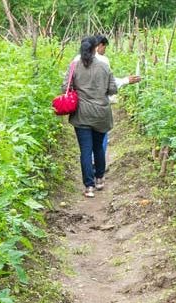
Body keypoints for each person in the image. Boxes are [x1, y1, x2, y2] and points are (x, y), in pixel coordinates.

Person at [63, 37, 117, 198]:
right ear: (95, 49)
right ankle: (100, 178)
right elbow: (113, 89)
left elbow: (64, 87)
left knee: (85, 150)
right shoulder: (104, 66)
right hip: (101, 113)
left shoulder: (74, 66)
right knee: (98, 146)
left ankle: (89, 187)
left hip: (81, 114)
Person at [92, 35, 141, 167]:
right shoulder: (103, 60)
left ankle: (90, 163)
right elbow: (109, 82)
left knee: (87, 136)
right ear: (100, 46)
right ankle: (99, 164)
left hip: (83, 106)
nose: (105, 51)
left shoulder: (78, 59)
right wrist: (126, 80)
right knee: (101, 134)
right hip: (101, 103)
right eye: (105, 47)